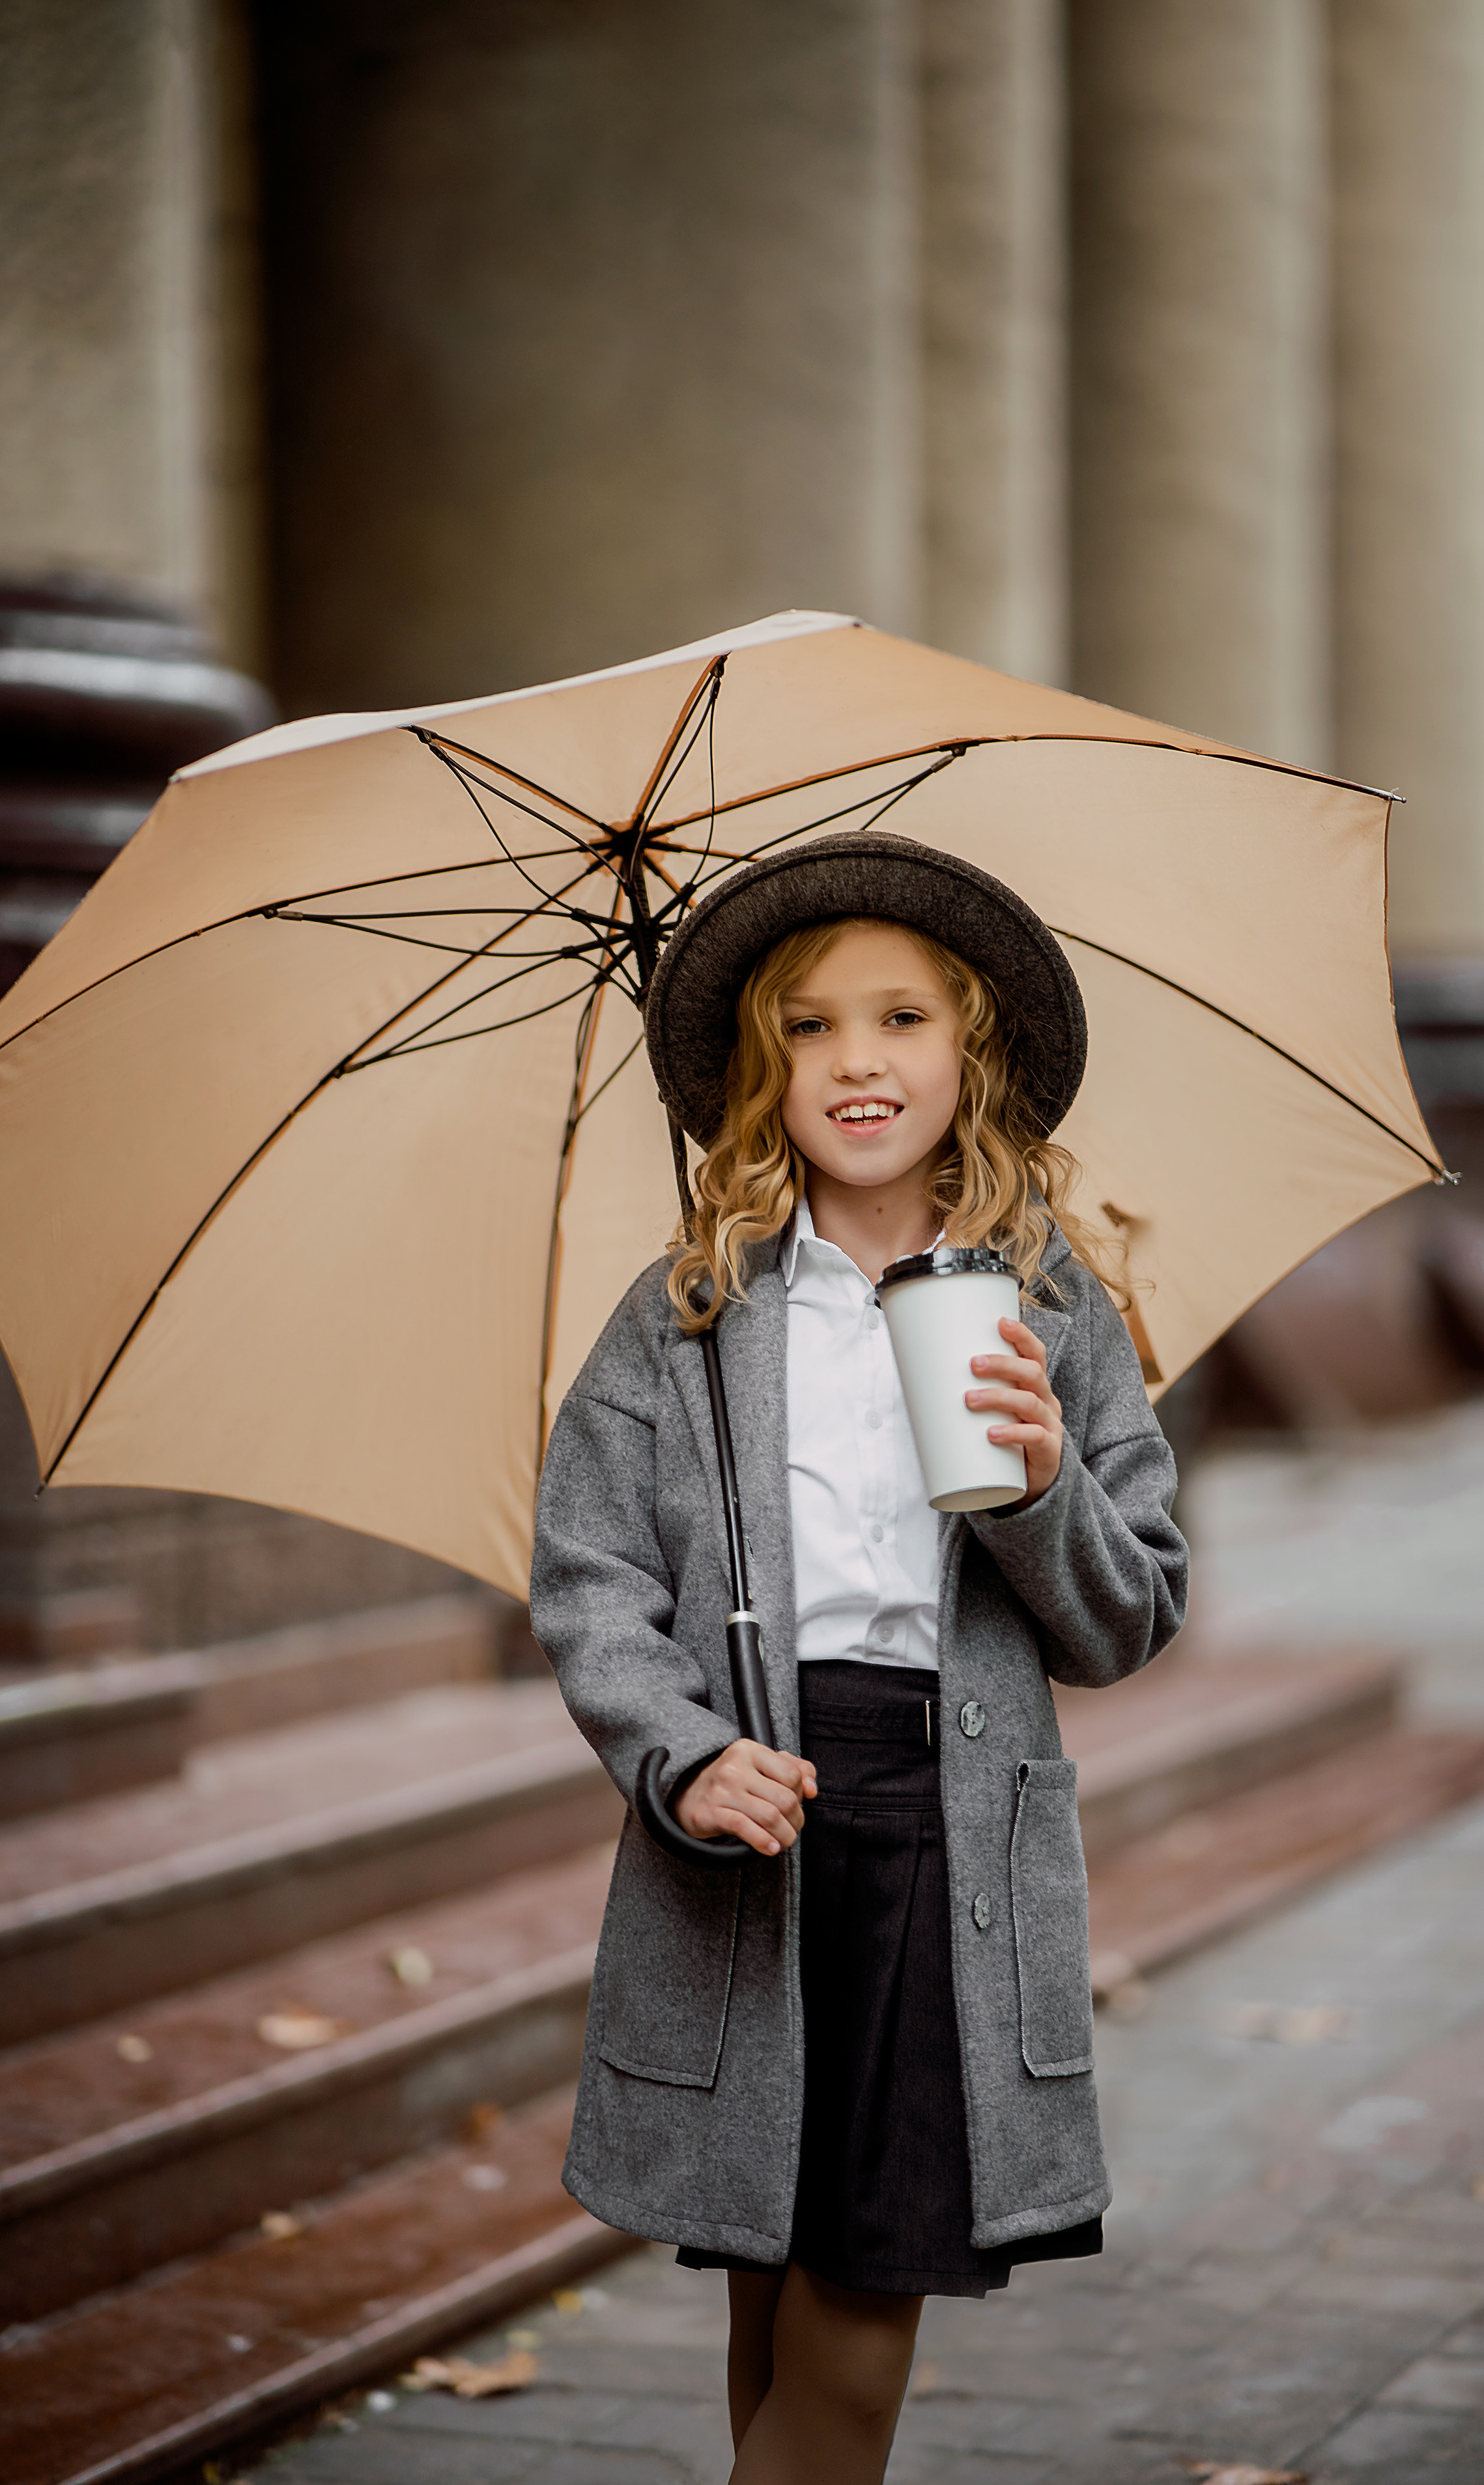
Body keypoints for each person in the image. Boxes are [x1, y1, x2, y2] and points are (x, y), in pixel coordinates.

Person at [530, 831, 1188, 2485]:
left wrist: (1043, 1490)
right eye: (811, 1025)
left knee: (865, 2271)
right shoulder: (689, 1311)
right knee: (766, 2267)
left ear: (971, 1052)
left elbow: (1128, 1615)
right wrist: (679, 1747)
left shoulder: (1054, 1311)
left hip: (944, 1825)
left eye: (902, 1017)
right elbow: (590, 1575)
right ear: (765, 1066)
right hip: (747, 1811)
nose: (858, 1061)